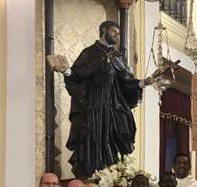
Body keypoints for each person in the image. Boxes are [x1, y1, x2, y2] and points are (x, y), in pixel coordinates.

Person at [49, 20, 145, 178]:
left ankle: (113, 176)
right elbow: (76, 77)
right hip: (92, 107)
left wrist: (141, 83)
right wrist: (66, 72)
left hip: (113, 107)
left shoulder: (118, 57)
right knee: (91, 140)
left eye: (119, 33)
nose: (117, 35)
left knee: (115, 137)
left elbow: (127, 83)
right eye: (114, 31)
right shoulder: (89, 53)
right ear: (104, 30)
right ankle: (90, 174)